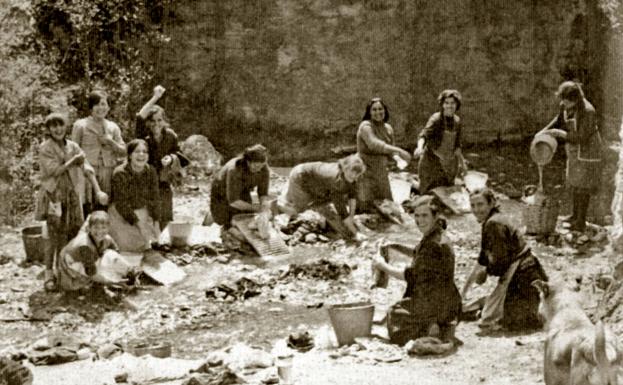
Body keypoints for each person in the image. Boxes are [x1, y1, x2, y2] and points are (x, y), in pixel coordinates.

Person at [372, 195, 461, 345]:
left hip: (436, 304)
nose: (420, 220)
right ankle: (434, 323)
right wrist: (396, 246)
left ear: (436, 216)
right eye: (417, 216)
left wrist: (382, 265)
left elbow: (409, 275)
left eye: (425, 215)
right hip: (449, 302)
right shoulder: (438, 235)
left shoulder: (432, 244)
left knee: (393, 313)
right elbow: (419, 253)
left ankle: (429, 326)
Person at [38, 112, 108, 291]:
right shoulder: (45, 147)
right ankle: (48, 273)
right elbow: (54, 171)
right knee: (54, 235)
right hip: (54, 197)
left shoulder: (73, 146)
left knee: (74, 233)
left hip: (73, 197)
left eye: (60, 125)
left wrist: (98, 190)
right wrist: (72, 162)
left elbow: (86, 167)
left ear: (65, 126)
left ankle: (69, 272)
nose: (58, 129)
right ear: (48, 130)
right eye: (53, 126)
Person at [463, 188, 548, 333]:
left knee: (492, 321)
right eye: (473, 205)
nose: (476, 209)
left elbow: (499, 263)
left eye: (480, 204)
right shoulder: (491, 221)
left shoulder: (494, 224)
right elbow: (482, 260)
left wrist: (486, 273)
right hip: (524, 273)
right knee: (490, 314)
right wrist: (463, 292)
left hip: (523, 275)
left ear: (491, 203)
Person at [537, 81, 603, 232]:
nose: (562, 103)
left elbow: (582, 137)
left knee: (583, 186)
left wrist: (561, 134)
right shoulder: (565, 106)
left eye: (565, 100)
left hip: (588, 151)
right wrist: (543, 132)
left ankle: (581, 221)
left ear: (575, 99)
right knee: (574, 182)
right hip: (574, 149)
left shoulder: (588, 111)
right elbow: (559, 120)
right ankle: (574, 215)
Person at [277, 154, 366, 239]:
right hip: (300, 176)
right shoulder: (336, 181)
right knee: (299, 210)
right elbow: (341, 210)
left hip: (317, 183)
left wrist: (351, 216)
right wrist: (356, 233)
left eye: (356, 175)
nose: (354, 176)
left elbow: (352, 195)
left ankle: (288, 193)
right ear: (344, 168)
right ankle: (278, 203)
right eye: (351, 174)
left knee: (321, 203)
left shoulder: (353, 177)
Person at [136, 85, 187, 230]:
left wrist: (171, 158)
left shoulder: (171, 136)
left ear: (164, 121)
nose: (156, 124)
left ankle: (160, 241)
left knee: (165, 213)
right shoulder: (143, 136)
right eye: (152, 120)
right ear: (148, 122)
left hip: (164, 180)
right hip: (145, 181)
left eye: (159, 120)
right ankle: (149, 242)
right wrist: (156, 97)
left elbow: (179, 154)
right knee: (147, 213)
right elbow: (140, 116)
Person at [71, 90, 126, 213]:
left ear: (108, 107)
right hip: (86, 172)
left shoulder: (113, 127)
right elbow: (73, 150)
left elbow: (124, 151)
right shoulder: (80, 125)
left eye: (104, 104)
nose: (101, 108)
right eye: (97, 104)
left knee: (105, 205)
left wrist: (111, 142)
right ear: (91, 107)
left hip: (108, 171)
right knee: (86, 207)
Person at [356, 97, 411, 212]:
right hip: (365, 172)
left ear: (385, 110)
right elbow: (374, 144)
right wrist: (400, 150)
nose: (378, 112)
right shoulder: (365, 126)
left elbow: (391, 153)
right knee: (365, 207)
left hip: (381, 173)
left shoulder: (388, 129)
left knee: (388, 206)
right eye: (374, 110)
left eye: (380, 109)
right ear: (369, 112)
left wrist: (398, 159)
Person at [109, 139, 160, 252]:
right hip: (120, 214)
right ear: (130, 155)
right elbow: (121, 204)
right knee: (125, 248)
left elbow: (155, 198)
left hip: (141, 211)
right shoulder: (120, 173)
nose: (141, 155)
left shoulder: (151, 171)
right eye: (137, 151)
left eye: (144, 151)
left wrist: (156, 222)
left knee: (146, 246)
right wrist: (140, 226)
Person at [414, 89, 467, 194]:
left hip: (448, 164)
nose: (449, 106)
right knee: (428, 193)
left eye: (452, 103)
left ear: (457, 105)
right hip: (431, 163)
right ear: (442, 105)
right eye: (446, 103)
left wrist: (463, 164)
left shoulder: (457, 121)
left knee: (447, 194)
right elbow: (424, 135)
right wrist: (419, 147)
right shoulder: (436, 119)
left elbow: (457, 146)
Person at [209, 144, 272, 229]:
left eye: (261, 166)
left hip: (243, 190)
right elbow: (234, 201)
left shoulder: (263, 168)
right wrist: (256, 208)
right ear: (248, 161)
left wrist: (264, 204)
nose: (259, 169)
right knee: (225, 222)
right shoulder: (235, 169)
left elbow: (263, 192)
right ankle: (210, 216)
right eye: (256, 166)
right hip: (221, 193)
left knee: (244, 217)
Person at [56, 211, 119, 292]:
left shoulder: (107, 238)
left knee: (110, 256)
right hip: (68, 267)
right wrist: (110, 282)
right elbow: (91, 273)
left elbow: (116, 254)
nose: (99, 231)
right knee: (88, 278)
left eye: (103, 227)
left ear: (108, 228)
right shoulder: (85, 245)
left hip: (84, 261)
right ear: (89, 228)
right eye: (96, 227)